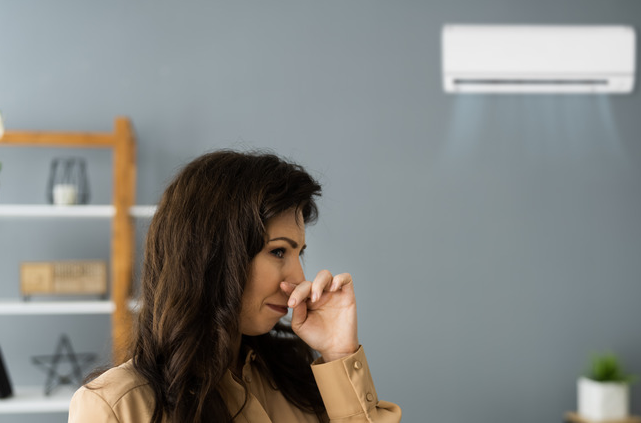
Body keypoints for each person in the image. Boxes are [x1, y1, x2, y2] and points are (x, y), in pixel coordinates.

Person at [68, 150, 401, 423]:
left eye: (299, 253)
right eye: (279, 251)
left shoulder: (297, 380)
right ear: (213, 254)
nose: (299, 279)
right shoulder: (115, 407)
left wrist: (339, 355)